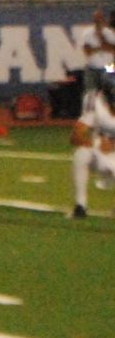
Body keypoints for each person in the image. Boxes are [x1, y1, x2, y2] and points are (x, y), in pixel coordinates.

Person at [71, 61, 115, 219]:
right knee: (81, 154)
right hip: (102, 153)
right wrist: (93, 143)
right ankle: (81, 205)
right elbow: (76, 135)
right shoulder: (94, 100)